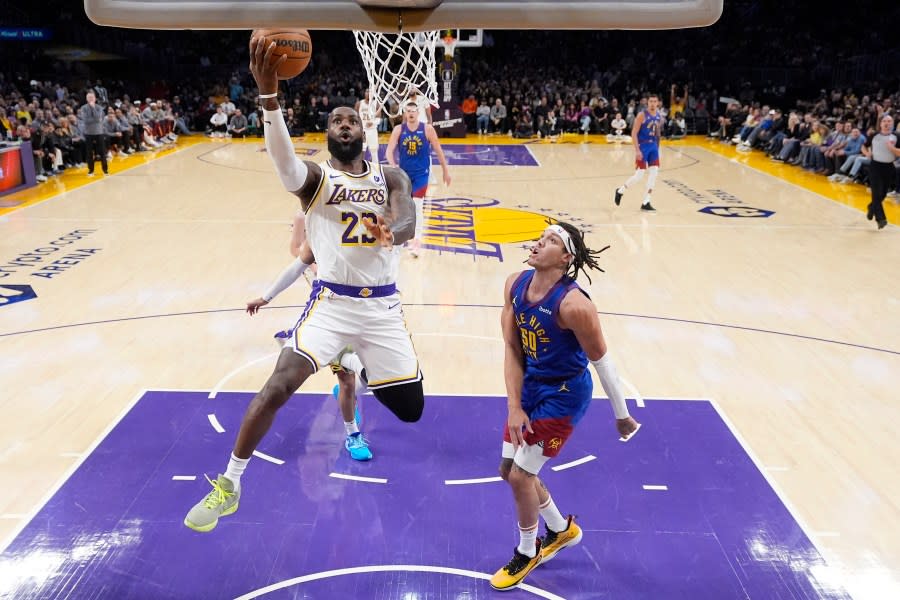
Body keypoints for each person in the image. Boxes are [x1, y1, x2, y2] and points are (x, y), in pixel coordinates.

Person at [184, 36, 423, 533]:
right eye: (335, 120)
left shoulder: (392, 176)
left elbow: (407, 224)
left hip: (381, 310)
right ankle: (231, 483)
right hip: (331, 304)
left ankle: (370, 369)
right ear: (329, 132)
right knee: (277, 385)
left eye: (350, 120)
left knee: (410, 410)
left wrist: (389, 233)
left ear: (361, 129)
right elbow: (284, 163)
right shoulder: (316, 181)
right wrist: (269, 100)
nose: (342, 125)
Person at [491, 221, 641, 591]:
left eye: (551, 241)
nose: (539, 243)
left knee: (521, 477)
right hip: (530, 386)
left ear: (566, 257)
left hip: (564, 394)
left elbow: (602, 361)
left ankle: (527, 551)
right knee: (507, 469)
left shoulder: (575, 305)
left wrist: (621, 415)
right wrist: (515, 404)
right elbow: (512, 348)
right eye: (540, 238)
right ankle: (560, 529)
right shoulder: (514, 284)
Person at [245, 240, 374, 462]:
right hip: (332, 316)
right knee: (347, 379)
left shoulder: (369, 224)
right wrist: (266, 296)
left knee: (379, 378)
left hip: (369, 313)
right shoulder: (319, 223)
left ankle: (292, 338)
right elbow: (298, 259)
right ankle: (353, 433)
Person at [385, 101, 451, 257]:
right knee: (401, 208)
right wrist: (393, 164)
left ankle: (417, 240)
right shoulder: (398, 130)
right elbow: (389, 151)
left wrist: (445, 171)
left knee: (417, 206)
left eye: (413, 110)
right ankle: (399, 238)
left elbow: (439, 150)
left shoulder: (427, 129)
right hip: (404, 175)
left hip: (421, 175)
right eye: (408, 111)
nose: (411, 113)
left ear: (418, 112)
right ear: (405, 113)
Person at [614, 93, 663, 211]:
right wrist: (637, 150)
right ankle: (620, 190)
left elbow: (658, 133)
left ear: (658, 103)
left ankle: (646, 201)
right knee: (639, 175)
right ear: (647, 103)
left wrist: (658, 148)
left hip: (653, 147)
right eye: (650, 101)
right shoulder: (642, 115)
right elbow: (634, 133)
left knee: (654, 173)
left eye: (654, 101)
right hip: (643, 146)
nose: (652, 104)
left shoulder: (658, 116)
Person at [864, 114, 900, 230]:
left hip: (889, 167)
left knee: (882, 194)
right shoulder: (874, 135)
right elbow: (864, 146)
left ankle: (871, 208)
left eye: (889, 121)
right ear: (880, 123)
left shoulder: (896, 136)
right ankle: (881, 219)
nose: (887, 123)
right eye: (884, 121)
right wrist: (867, 153)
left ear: (892, 123)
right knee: (876, 192)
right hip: (875, 166)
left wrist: (892, 149)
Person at [77, 91, 108, 176]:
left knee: (102, 152)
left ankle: (105, 170)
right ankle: (91, 171)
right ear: (87, 99)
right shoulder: (83, 108)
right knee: (89, 153)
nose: (91, 99)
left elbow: (98, 118)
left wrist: (93, 108)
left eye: (92, 97)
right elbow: (85, 120)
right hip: (88, 133)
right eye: (89, 97)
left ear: (95, 99)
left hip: (99, 132)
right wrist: (94, 118)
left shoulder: (99, 107)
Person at [356, 88, 381, 162]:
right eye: (367, 91)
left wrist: (373, 123)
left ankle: (375, 167)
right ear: (364, 93)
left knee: (374, 150)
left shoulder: (376, 103)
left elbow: (379, 118)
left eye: (370, 92)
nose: (368, 93)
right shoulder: (359, 103)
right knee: (361, 150)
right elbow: (354, 117)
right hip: (362, 130)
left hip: (372, 130)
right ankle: (360, 167)